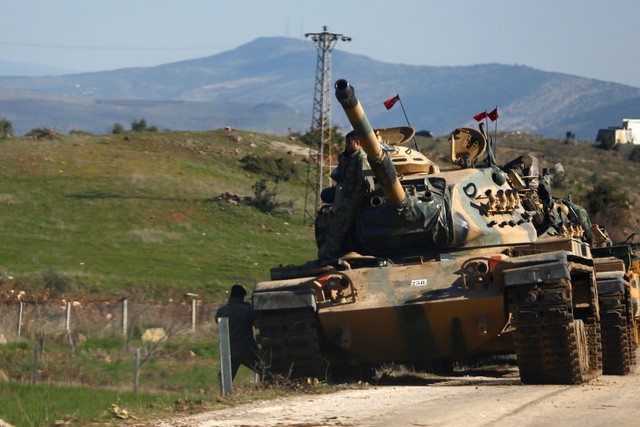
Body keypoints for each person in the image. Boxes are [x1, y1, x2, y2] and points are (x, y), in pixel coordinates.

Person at [317, 130, 370, 260]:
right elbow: (340, 176)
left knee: (338, 226)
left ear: (358, 143)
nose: (346, 145)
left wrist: (353, 201)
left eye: (349, 143)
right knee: (332, 223)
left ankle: (332, 253)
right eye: (346, 142)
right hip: (344, 196)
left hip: (353, 198)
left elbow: (362, 183)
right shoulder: (347, 157)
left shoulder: (361, 158)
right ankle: (332, 252)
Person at [215, 284, 260, 382]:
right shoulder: (247, 309)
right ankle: (268, 389)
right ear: (242, 296)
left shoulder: (221, 311)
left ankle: (225, 395)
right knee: (264, 369)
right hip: (247, 348)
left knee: (224, 377)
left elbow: (217, 322)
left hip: (229, 349)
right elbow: (257, 323)